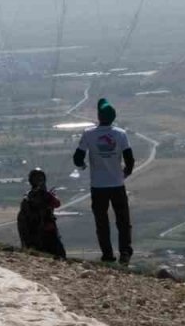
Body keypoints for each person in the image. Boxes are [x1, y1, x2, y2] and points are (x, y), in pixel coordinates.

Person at [73, 98, 136, 265]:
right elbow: (130, 159)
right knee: (123, 221)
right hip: (117, 184)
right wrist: (125, 174)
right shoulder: (120, 134)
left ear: (99, 116)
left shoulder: (89, 134)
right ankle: (125, 252)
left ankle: (107, 255)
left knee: (102, 222)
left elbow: (77, 157)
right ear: (113, 117)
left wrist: (82, 165)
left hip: (98, 186)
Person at [17, 168, 66, 259]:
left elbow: (57, 204)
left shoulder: (47, 195)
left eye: (41, 179)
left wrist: (47, 195)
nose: (39, 181)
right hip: (35, 232)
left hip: (48, 230)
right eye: (37, 179)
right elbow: (23, 220)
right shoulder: (28, 198)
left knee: (59, 255)